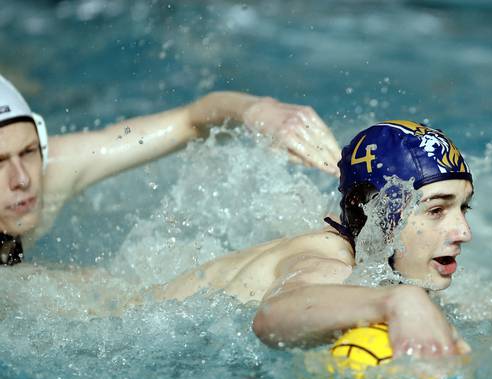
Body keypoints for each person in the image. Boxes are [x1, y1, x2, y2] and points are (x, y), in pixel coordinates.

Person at [157, 120, 474, 358]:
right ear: (373, 212)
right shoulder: (328, 263)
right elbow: (270, 316)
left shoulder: (366, 254)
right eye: (436, 210)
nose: (463, 232)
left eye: (463, 207)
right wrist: (400, 302)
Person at [0, 73, 339, 265]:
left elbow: (190, 118)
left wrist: (259, 110)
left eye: (28, 151)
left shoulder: (52, 167)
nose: (22, 179)